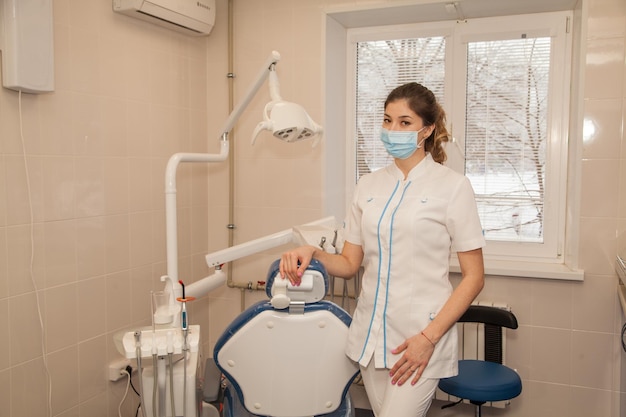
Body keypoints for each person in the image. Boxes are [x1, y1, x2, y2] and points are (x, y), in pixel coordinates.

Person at [280, 82, 485, 417]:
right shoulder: (368, 185)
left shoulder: (452, 188)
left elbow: (474, 278)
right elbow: (349, 263)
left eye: (405, 122)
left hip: (419, 340)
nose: (392, 130)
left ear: (427, 129)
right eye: (387, 120)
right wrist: (313, 253)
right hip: (371, 340)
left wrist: (428, 339)